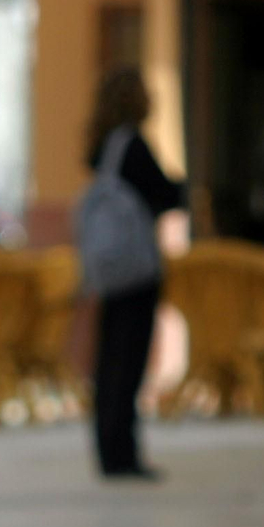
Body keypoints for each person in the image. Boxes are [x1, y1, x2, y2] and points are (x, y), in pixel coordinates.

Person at [83, 68, 184, 480]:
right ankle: (123, 454)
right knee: (128, 360)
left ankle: (111, 450)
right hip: (135, 268)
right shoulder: (131, 145)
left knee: (111, 358)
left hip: (109, 268)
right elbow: (162, 194)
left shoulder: (103, 146)